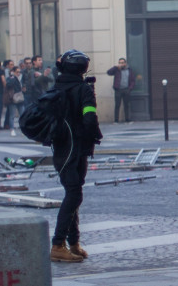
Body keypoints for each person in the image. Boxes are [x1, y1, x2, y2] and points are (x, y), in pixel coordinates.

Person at [49, 50, 103, 263]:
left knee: (73, 192)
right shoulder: (83, 90)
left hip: (61, 149)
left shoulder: (56, 88)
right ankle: (57, 244)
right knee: (74, 194)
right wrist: (95, 136)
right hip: (76, 149)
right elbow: (89, 119)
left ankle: (73, 243)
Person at [106, 58, 136, 123]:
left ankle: (127, 119)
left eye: (122, 63)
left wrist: (130, 88)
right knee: (117, 105)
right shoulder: (116, 70)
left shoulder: (129, 70)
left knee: (126, 105)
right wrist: (115, 67)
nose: (121, 64)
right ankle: (116, 120)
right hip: (118, 90)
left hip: (126, 89)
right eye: (120, 63)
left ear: (125, 63)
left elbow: (133, 80)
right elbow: (108, 72)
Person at [3, 65, 23, 136]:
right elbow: (8, 85)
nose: (18, 73)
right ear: (13, 72)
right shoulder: (11, 78)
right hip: (13, 98)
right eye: (17, 72)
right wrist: (14, 78)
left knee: (22, 114)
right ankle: (12, 129)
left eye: (19, 72)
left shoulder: (21, 78)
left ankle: (22, 129)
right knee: (12, 115)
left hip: (20, 98)